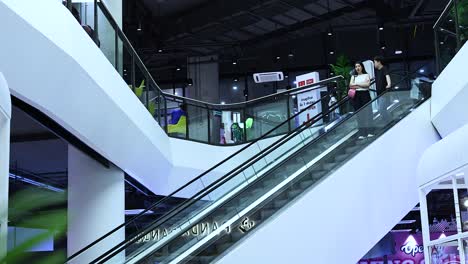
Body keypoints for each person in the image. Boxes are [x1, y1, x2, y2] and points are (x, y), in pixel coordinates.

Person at [349, 61, 373, 139]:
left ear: (362, 67)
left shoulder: (366, 75)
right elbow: (351, 86)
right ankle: (362, 133)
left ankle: (370, 132)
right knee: (359, 115)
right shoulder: (353, 76)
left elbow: (367, 85)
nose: (357, 68)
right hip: (357, 96)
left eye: (359, 66)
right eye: (356, 67)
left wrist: (357, 84)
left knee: (368, 113)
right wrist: (362, 85)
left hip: (365, 95)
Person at [373, 56, 392, 123]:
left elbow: (387, 76)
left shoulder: (384, 68)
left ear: (379, 62)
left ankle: (389, 122)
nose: (374, 64)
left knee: (381, 109)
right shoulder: (377, 71)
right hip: (379, 93)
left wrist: (389, 84)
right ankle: (388, 121)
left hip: (384, 93)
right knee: (383, 109)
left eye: (374, 62)